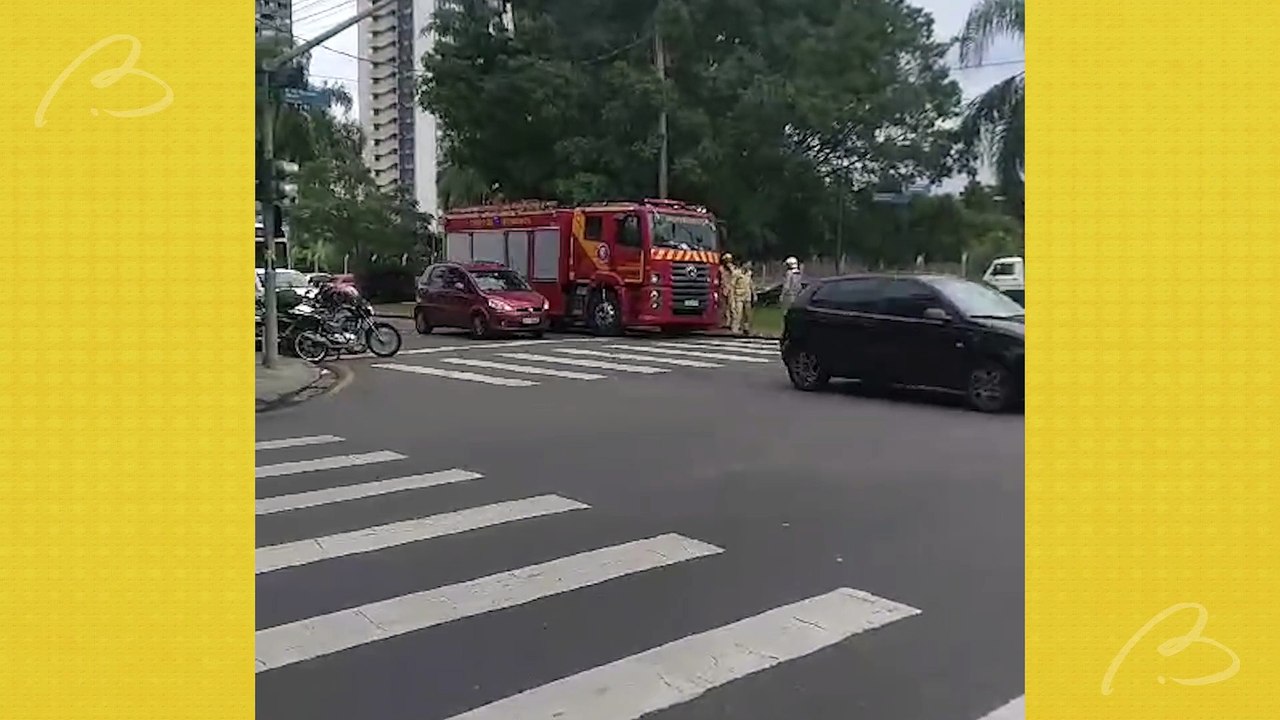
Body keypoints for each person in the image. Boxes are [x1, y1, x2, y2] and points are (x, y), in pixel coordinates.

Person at [729, 260, 755, 336]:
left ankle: (746, 328)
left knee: (747, 313)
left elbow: (751, 284)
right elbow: (732, 285)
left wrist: (754, 294)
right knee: (738, 313)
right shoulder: (737, 273)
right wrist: (732, 297)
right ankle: (735, 329)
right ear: (743, 264)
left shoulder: (749, 273)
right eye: (748, 264)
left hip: (747, 296)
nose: (749, 266)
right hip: (739, 296)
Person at [718, 253, 736, 328]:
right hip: (723, 288)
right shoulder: (720, 269)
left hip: (731, 289)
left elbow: (735, 275)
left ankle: (733, 323)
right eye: (726, 260)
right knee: (723, 307)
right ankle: (724, 323)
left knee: (732, 307)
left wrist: (731, 268)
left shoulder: (733, 268)